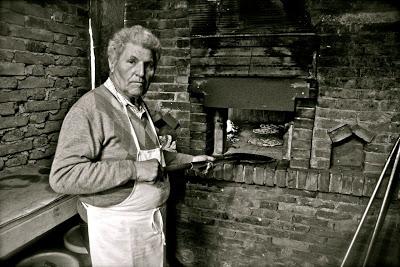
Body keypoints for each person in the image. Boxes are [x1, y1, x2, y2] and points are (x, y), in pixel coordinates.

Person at [49, 25, 214, 267]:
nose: (141, 72)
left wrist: (190, 160)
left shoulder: (139, 105)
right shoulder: (91, 109)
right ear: (113, 62)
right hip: (116, 233)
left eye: (149, 65)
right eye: (132, 61)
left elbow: (152, 160)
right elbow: (63, 176)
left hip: (147, 225)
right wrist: (134, 170)